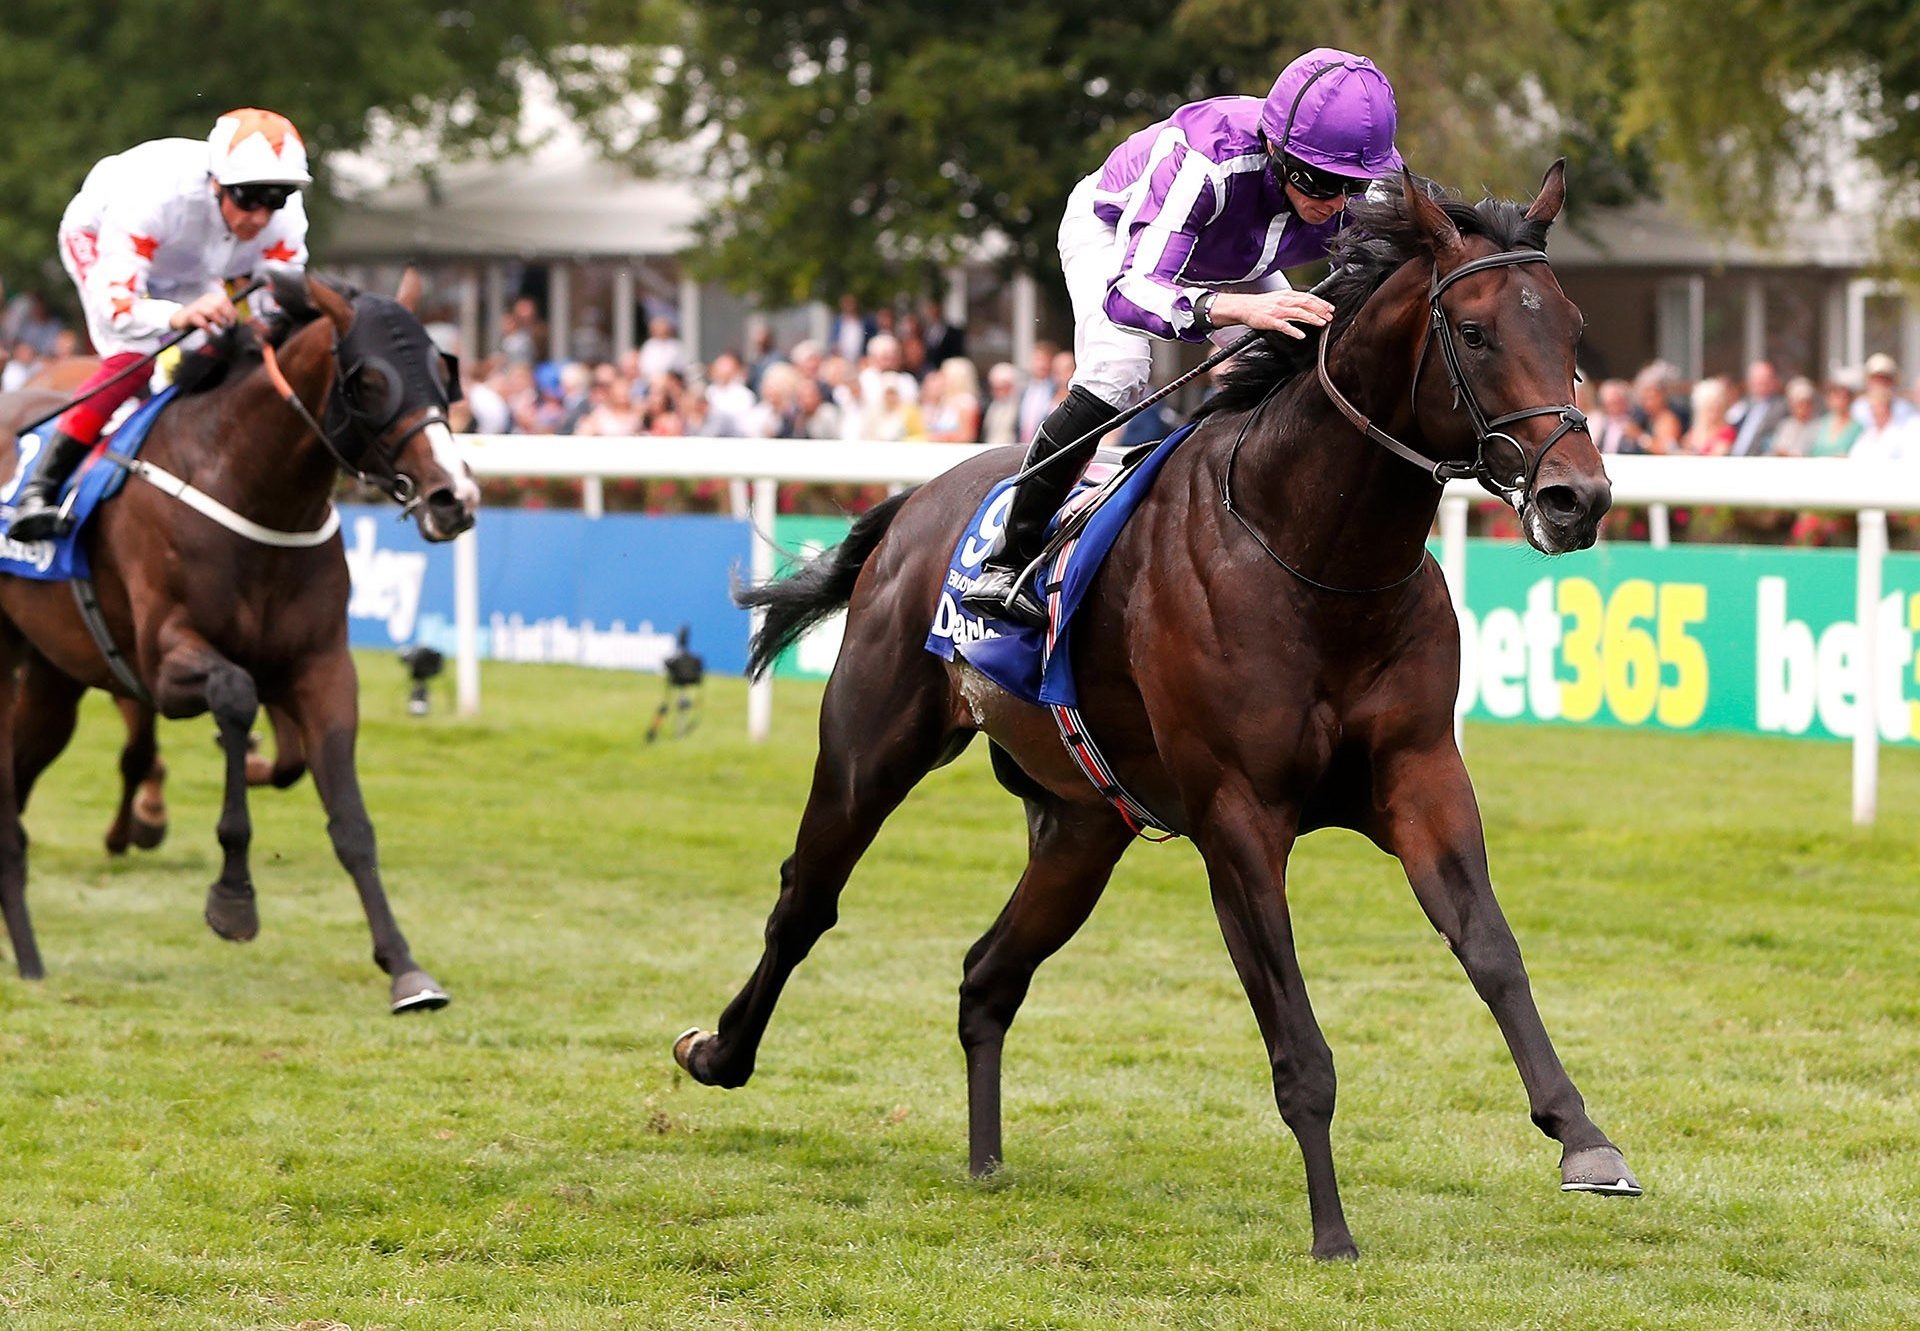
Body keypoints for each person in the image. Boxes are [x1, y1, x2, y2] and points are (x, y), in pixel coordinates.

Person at [963, 48, 1404, 623]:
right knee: (1119, 373)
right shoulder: (1206, 163)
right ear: (1276, 149)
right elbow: (1128, 295)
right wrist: (1240, 310)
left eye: (1353, 185)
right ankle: (1007, 558)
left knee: (1306, 359)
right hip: (1119, 240)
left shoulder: (1349, 174)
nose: (1336, 203)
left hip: (1238, 249)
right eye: (1320, 182)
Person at [9, 108, 311, 541]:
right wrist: (174, 315)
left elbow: (274, 312)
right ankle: (39, 490)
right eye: (249, 198)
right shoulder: (154, 198)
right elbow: (119, 307)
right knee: (136, 357)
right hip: (104, 244)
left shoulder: (286, 220)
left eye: (275, 198)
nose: (261, 217)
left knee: (230, 348)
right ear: (216, 183)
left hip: (191, 268)